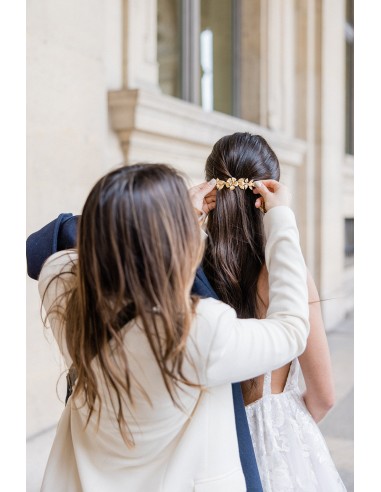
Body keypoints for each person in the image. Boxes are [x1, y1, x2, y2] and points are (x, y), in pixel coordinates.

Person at [28, 162, 309, 491]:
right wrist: (282, 219)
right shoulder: (197, 333)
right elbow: (291, 329)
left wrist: (169, 220)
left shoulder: (65, 288)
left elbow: (53, 243)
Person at [202, 132, 347, 491]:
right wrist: (281, 430)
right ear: (269, 193)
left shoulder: (192, 270)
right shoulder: (288, 277)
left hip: (211, 443)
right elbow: (323, 395)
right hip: (278, 440)